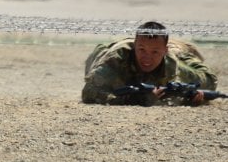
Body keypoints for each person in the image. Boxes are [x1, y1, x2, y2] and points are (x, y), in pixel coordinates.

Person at [81, 21, 218, 105]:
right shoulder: (115, 60)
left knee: (185, 51)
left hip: (172, 50)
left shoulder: (172, 65)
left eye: (154, 52)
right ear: (135, 46)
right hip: (113, 50)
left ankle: (172, 47)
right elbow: (89, 91)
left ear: (164, 51)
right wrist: (129, 100)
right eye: (141, 50)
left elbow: (210, 81)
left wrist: (191, 97)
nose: (147, 58)